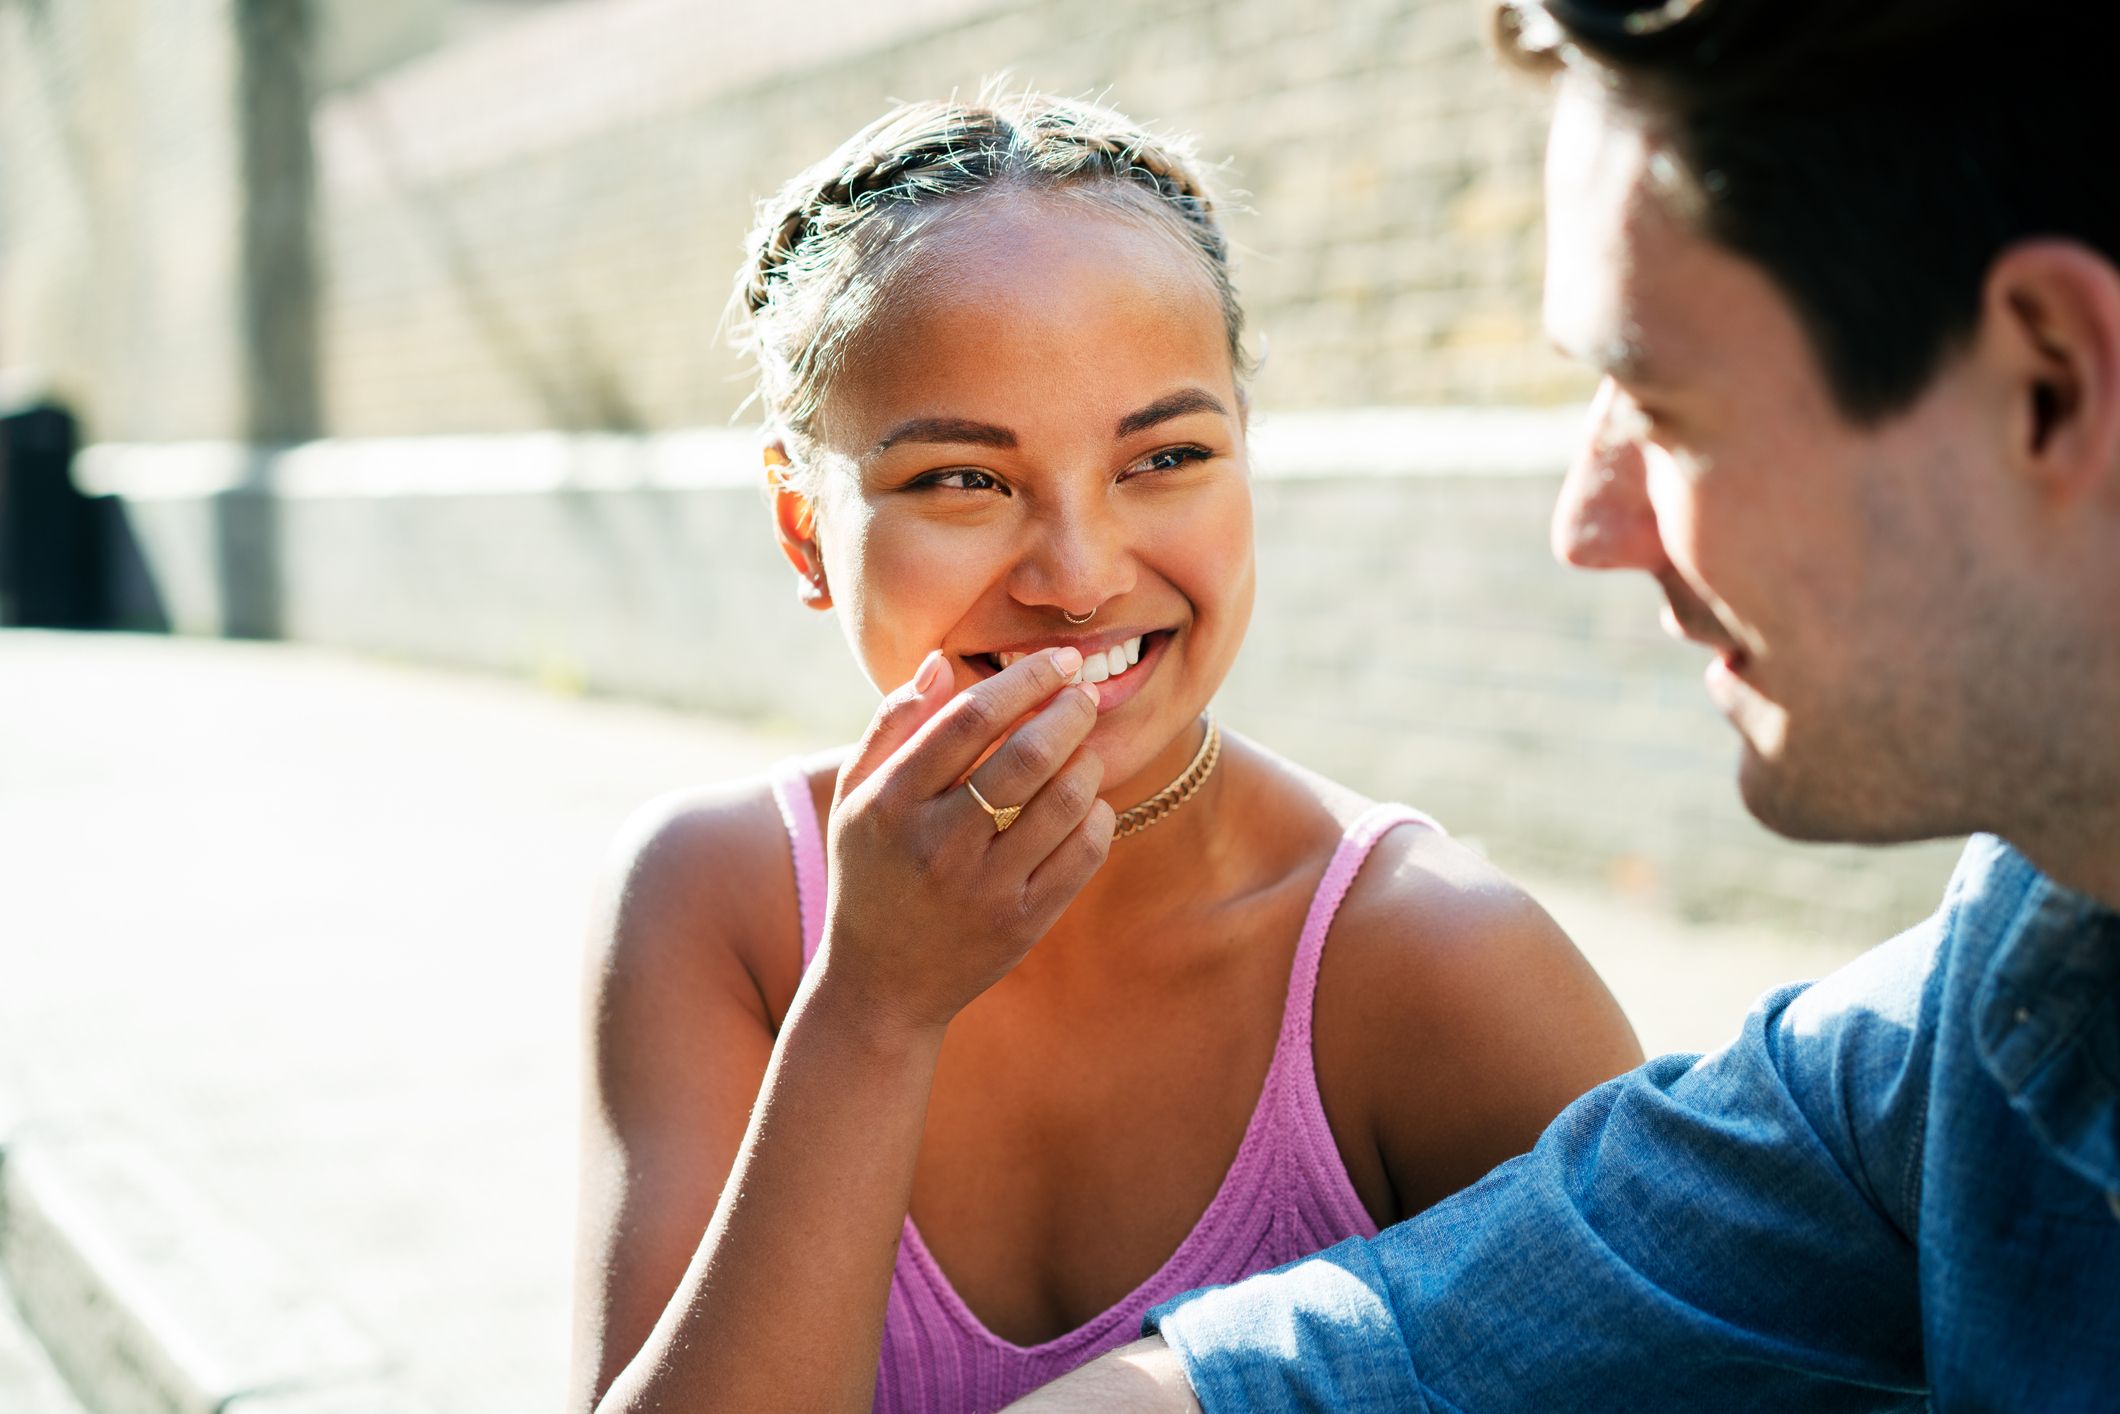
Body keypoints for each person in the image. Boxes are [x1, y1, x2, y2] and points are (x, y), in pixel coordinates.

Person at [1006, 0, 2120, 1408]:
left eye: (1660, 407)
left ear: (2051, 387)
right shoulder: (2001, 985)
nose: (1587, 526)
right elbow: (1407, 1343)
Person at [564, 90, 1643, 1413]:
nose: (1079, 580)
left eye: (1167, 455)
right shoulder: (717, 905)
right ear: (801, 528)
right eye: (965, 479)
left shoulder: (1436, 965)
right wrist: (871, 1008)